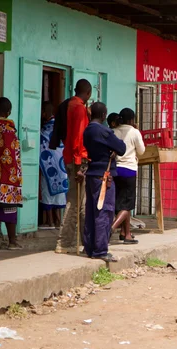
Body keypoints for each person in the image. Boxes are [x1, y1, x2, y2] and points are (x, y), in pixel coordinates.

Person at [82, 102, 126, 262]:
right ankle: (100, 250)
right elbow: (121, 147)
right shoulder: (104, 131)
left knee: (91, 212)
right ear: (103, 115)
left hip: (93, 173)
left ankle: (89, 247)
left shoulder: (87, 130)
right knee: (104, 213)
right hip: (104, 177)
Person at [55, 79, 92, 254]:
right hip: (78, 159)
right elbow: (78, 138)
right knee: (76, 202)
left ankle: (84, 241)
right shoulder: (79, 109)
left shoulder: (68, 105)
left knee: (80, 202)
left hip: (70, 157)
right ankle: (64, 242)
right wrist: (79, 165)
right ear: (88, 93)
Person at [0, 97, 23, 250]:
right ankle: (12, 241)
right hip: (9, 176)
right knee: (10, 209)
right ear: (9, 112)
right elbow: (14, 156)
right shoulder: (10, 131)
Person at [111, 108, 145, 244]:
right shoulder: (134, 132)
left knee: (119, 201)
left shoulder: (114, 131)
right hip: (129, 170)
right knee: (128, 205)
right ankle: (112, 228)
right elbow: (141, 151)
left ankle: (126, 234)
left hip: (115, 170)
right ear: (132, 120)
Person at [39, 102, 68, 229]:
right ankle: (58, 221)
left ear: (45, 112)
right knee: (59, 195)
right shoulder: (60, 127)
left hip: (49, 165)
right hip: (61, 164)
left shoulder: (45, 129)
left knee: (47, 191)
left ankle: (49, 222)